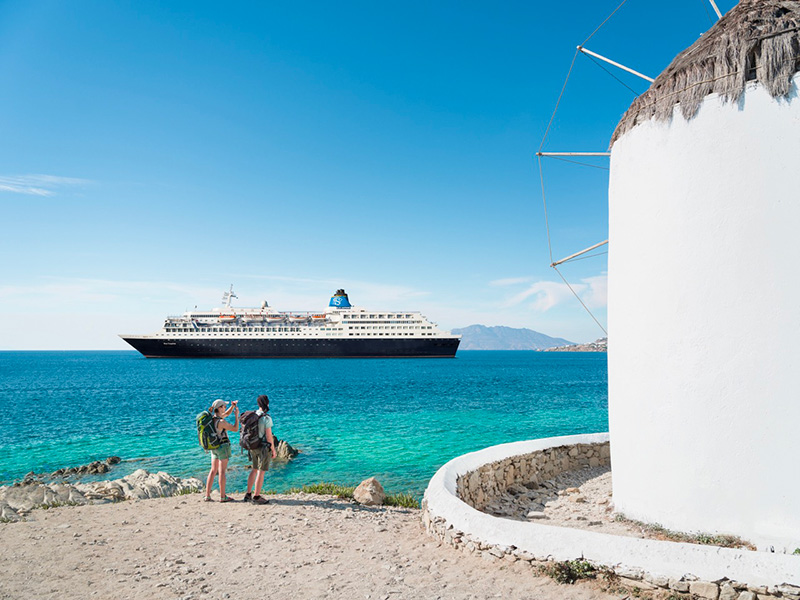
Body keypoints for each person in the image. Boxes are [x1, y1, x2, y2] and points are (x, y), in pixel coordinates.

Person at [243, 394, 277, 504]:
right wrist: (273, 450)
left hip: (252, 446)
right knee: (261, 472)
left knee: (254, 469)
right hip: (262, 448)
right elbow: (269, 436)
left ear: (258, 404)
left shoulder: (253, 415)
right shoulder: (266, 418)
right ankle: (257, 497)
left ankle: (248, 494)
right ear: (267, 403)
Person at [205, 398, 239, 502]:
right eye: (224, 406)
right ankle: (223, 496)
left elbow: (226, 414)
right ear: (219, 408)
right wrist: (236, 416)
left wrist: (232, 407)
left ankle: (207, 495)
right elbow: (235, 428)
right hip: (223, 447)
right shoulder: (221, 422)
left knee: (213, 470)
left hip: (214, 447)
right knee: (222, 472)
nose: (225, 407)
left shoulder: (212, 419)